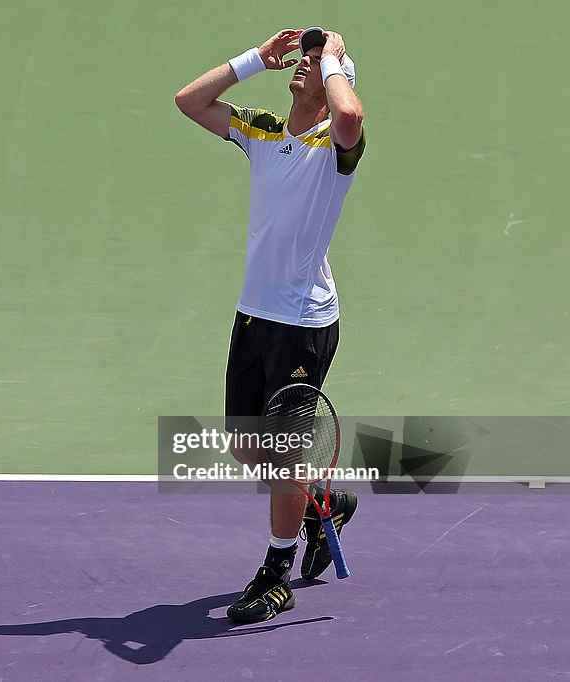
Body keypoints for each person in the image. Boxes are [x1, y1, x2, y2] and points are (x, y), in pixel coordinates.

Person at [174, 27, 365, 622]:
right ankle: (322, 503)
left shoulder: (335, 149)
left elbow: (351, 113)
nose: (305, 67)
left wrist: (332, 58)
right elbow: (190, 101)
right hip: (254, 315)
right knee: (245, 446)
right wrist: (257, 57)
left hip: (303, 323)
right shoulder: (261, 130)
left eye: (318, 64)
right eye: (303, 62)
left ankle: (277, 570)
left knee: (282, 457)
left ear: (334, 77)